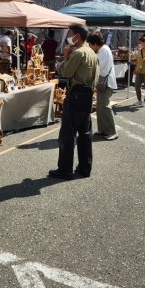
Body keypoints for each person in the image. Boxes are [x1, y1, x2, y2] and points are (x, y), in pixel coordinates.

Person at [49, 24, 99, 180]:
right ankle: (85, 168)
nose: (68, 37)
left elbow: (65, 72)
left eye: (70, 33)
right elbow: (97, 76)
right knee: (85, 134)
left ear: (77, 36)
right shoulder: (91, 51)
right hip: (88, 94)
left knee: (67, 134)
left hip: (76, 94)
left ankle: (65, 169)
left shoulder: (78, 52)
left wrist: (64, 58)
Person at [87, 31, 118, 139]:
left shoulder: (103, 50)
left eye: (90, 45)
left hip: (106, 82)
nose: (90, 47)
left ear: (95, 43)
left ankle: (112, 132)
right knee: (100, 107)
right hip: (102, 82)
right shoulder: (102, 49)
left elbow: (97, 66)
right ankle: (102, 129)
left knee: (105, 106)